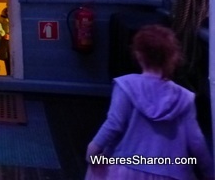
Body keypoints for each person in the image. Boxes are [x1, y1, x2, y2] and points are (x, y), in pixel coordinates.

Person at [85, 25, 214, 180]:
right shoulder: (184, 98)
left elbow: (114, 124)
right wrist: (210, 173)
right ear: (171, 57)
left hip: (127, 169)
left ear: (139, 55)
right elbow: (196, 141)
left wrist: (93, 149)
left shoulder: (126, 86)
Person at [0, 7, 11, 75]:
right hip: (5, 42)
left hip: (11, 42)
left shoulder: (13, 17)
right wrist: (3, 34)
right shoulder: (2, 18)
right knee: (7, 60)